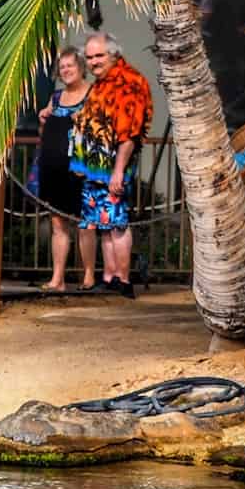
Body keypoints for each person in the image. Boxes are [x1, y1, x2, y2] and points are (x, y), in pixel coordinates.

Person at [71, 32, 152, 297]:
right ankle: (109, 276)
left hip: (113, 170)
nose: (93, 62)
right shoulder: (101, 83)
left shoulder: (129, 82)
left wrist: (118, 172)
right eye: (90, 57)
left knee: (117, 225)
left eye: (99, 56)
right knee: (102, 225)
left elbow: (128, 135)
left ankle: (124, 279)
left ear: (114, 54)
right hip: (93, 170)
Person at [35, 46, 95, 292]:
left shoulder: (94, 94)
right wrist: (43, 120)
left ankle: (88, 275)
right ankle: (57, 278)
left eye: (70, 65)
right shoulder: (56, 98)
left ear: (81, 67)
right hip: (54, 166)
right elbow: (44, 135)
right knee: (58, 224)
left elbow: (100, 128)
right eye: (62, 67)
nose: (66, 70)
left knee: (84, 223)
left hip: (82, 166)